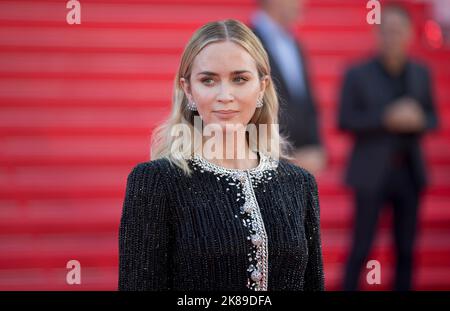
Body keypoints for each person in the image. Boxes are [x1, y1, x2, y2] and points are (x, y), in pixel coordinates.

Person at [118, 19, 324, 291]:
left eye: (240, 79)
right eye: (208, 80)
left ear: (261, 87)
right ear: (188, 89)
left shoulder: (299, 184)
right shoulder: (156, 183)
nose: (225, 95)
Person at [338, 5, 438, 291]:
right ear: (377, 33)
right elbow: (345, 120)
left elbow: (433, 118)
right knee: (361, 246)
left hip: (409, 173)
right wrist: (386, 118)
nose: (393, 37)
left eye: (399, 31)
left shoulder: (421, 73)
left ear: (409, 34)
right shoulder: (356, 73)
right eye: (387, 30)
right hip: (370, 174)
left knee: (406, 249)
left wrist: (418, 119)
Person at [250, 0, 326, 175]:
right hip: (265, 162)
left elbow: (306, 101)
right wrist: (283, 158)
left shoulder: (295, 44)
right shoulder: (246, 42)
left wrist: (315, 147)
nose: (301, 4)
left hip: (300, 164)